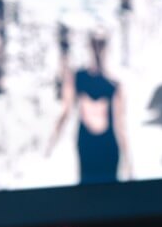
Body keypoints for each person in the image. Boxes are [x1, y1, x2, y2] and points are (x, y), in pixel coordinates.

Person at [47, 28, 130, 184]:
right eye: (94, 44)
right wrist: (52, 142)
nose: (97, 49)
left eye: (101, 44)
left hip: (108, 147)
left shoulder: (114, 85)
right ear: (89, 47)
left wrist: (129, 163)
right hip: (87, 145)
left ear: (107, 48)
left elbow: (120, 125)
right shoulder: (77, 78)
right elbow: (65, 112)